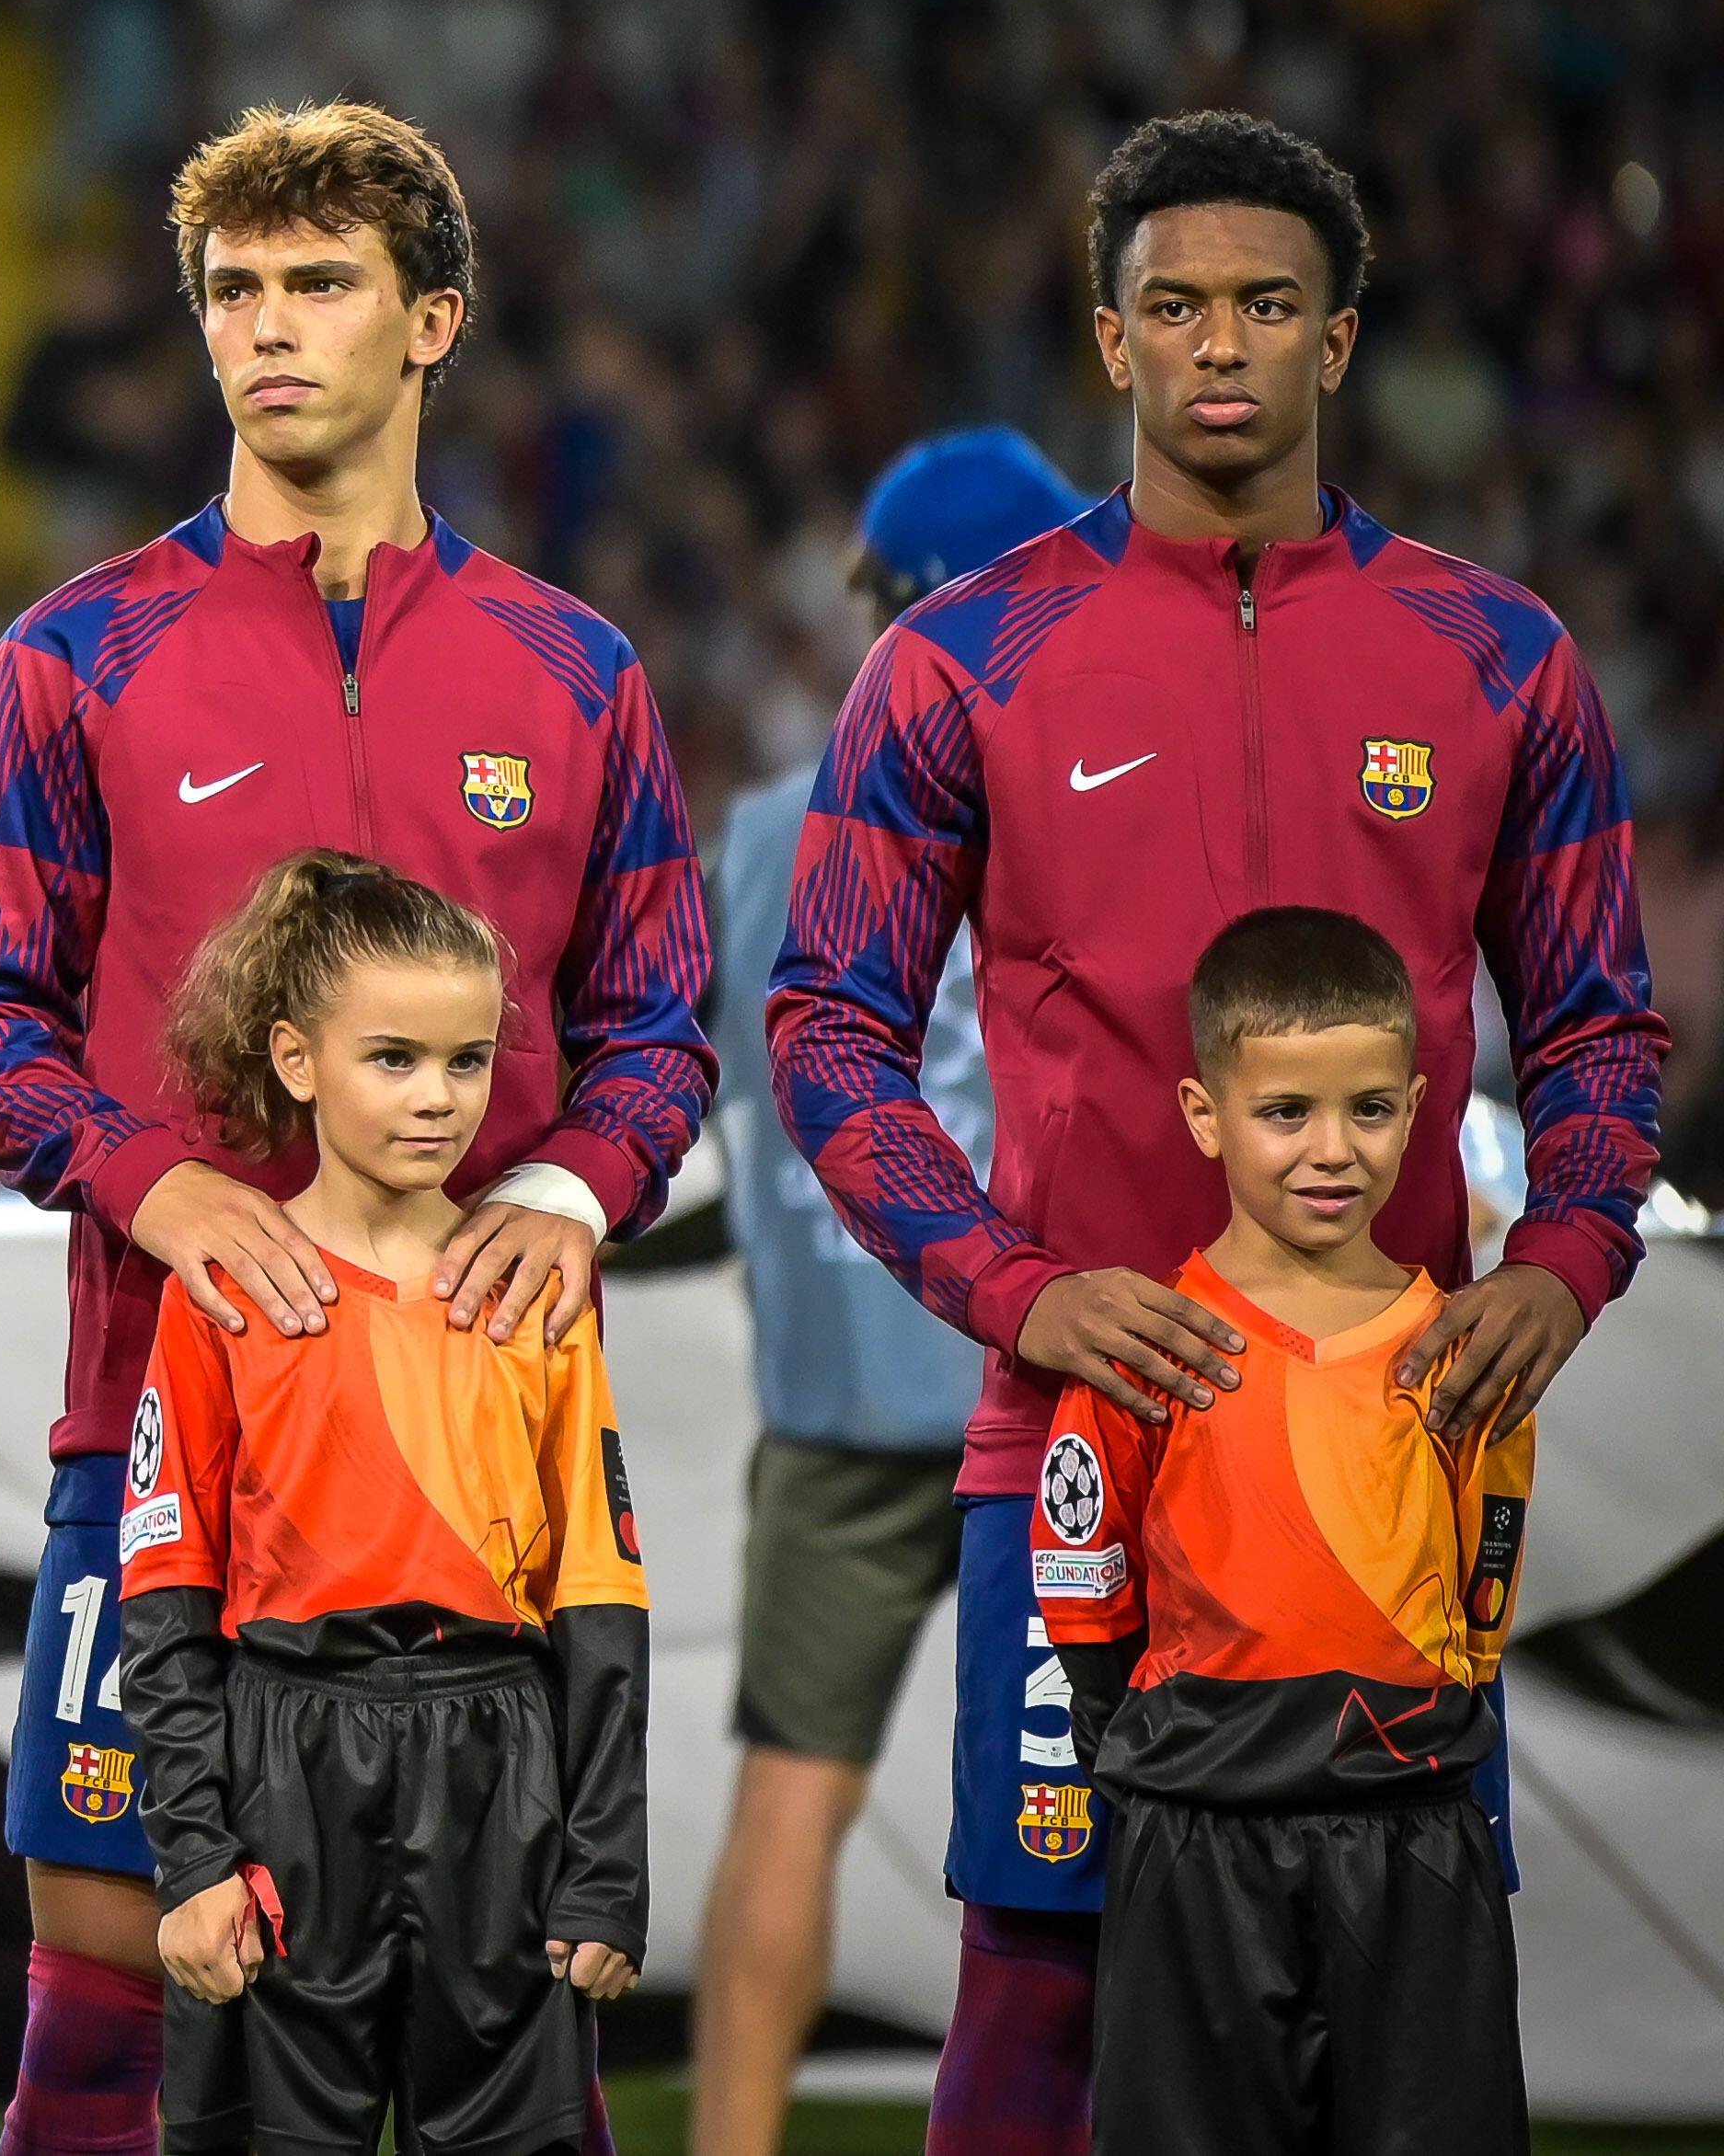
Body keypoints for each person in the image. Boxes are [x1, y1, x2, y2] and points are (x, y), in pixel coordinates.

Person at [766, 109, 1665, 2156]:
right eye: (1171, 307)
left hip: (1385, 1456)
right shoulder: (953, 659)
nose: (1218, 347)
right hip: (1083, 1443)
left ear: (1339, 340)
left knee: (1392, 2011)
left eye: (1266, 304)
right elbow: (824, 1027)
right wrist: (1013, 1288)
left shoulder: (1496, 656)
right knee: (1040, 2000)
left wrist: (1564, 1254)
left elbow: (1599, 1024)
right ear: (1108, 341)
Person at [0, 99, 712, 2156]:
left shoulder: (577, 672)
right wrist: (155, 1182)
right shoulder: (68, 660)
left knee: (508, 2032)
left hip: (486, 1475)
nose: (267, 329)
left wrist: (565, 1182)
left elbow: (656, 1029)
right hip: (164, 1439)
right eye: (233, 290)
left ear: (429, 318)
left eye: (320, 282)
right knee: (108, 2010)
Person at [119, 853, 646, 2153]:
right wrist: (191, 1860)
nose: (439, 1098)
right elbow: (166, 1595)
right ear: (296, 1060)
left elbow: (601, 1594)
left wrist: (605, 1864)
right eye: (394, 1058)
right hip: (282, 1770)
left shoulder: (536, 1295)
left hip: (500, 1775)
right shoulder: (221, 1293)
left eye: (469, 1062)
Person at [689, 429, 1086, 2156]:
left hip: (839, 1393)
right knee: (1090, 1831)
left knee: (788, 1797)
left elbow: (721, 1095)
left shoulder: (766, 834)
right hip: (1054, 1373)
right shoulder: (1088, 789)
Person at [1040, 908, 1531, 2152]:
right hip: (1195, 1842)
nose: (1333, 1150)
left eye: (1370, 1109)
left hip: (1413, 1840)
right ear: (1207, 1115)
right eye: (1285, 1113)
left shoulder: (1459, 1354)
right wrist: (1153, 1755)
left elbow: (1484, 1594)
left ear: (1421, 1107)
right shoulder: (1144, 1345)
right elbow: (1081, 1578)